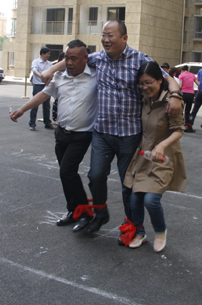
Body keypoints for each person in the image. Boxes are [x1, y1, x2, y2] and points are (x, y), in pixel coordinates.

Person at [40, 20, 182, 234]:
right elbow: (74, 58)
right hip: (102, 133)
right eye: (103, 35)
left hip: (130, 134)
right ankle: (100, 215)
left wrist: (176, 95)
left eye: (110, 35)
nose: (105, 40)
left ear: (124, 38)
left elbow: (167, 78)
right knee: (96, 176)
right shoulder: (97, 58)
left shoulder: (140, 59)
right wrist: (51, 69)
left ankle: (132, 224)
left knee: (128, 183)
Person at [11, 40, 98, 228]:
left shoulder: (95, 77)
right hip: (62, 133)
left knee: (67, 171)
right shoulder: (59, 76)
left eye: (74, 59)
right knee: (65, 173)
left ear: (85, 58)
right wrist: (22, 109)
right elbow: (43, 94)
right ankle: (73, 210)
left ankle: (85, 213)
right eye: (67, 58)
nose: (69, 63)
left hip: (82, 135)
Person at [121, 62, 186, 252]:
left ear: (159, 80)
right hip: (143, 156)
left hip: (163, 157)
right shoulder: (143, 98)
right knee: (135, 198)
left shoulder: (171, 102)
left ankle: (160, 231)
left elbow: (179, 130)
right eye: (141, 83)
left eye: (149, 82)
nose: (145, 87)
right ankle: (140, 233)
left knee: (151, 200)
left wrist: (162, 145)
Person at [29, 47, 53, 131]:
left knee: (46, 105)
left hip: (46, 85)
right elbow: (34, 70)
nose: (49, 55)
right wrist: (41, 76)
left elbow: (51, 72)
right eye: (47, 53)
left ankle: (47, 123)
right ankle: (32, 123)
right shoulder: (36, 62)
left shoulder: (49, 64)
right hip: (38, 85)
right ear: (43, 54)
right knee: (35, 105)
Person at [178, 65, 197, 129]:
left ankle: (180, 123)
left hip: (183, 94)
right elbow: (198, 83)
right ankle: (187, 124)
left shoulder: (181, 75)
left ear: (182, 70)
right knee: (188, 110)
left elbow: (180, 86)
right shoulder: (193, 75)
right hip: (191, 94)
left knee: (181, 109)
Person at [51, 51, 66, 126]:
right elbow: (44, 93)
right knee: (57, 103)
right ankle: (55, 119)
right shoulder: (57, 72)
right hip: (58, 90)